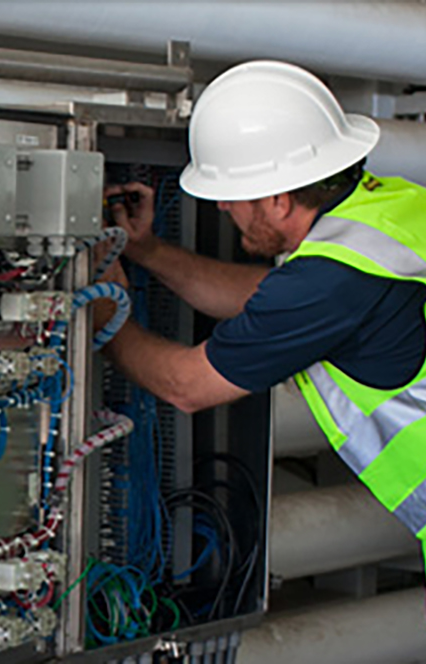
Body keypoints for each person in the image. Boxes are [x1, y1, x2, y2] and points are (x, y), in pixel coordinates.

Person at [100, 60, 426, 550]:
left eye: (233, 195)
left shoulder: (328, 283)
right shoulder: (391, 210)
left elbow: (186, 386)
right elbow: (272, 301)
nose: (223, 208)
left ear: (277, 199)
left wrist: (106, 317)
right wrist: (148, 252)